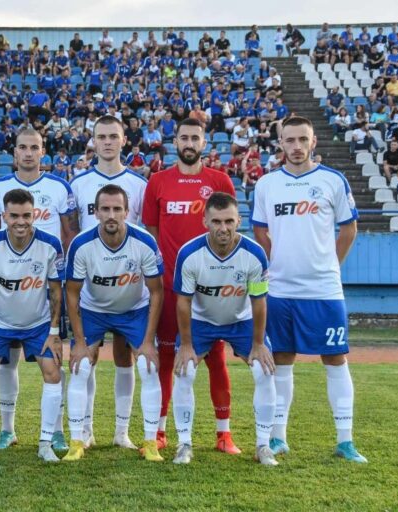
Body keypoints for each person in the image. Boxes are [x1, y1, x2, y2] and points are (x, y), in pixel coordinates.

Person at [252, 116, 367, 463]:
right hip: (281, 289)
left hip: (324, 289)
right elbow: (259, 231)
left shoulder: (332, 180)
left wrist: (330, 265)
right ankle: (278, 437)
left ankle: (345, 440)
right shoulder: (267, 184)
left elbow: (349, 230)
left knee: (335, 358)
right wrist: (280, 264)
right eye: (290, 140)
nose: (297, 146)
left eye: (303, 139)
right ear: (281, 143)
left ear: (313, 141)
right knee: (281, 359)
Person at [142, 118, 238, 453]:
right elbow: (151, 234)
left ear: (204, 143)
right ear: (174, 141)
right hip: (171, 286)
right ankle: (160, 430)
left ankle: (223, 434)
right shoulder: (157, 182)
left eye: (195, 138)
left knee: (216, 359)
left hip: (211, 288)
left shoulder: (219, 180)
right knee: (167, 357)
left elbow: (229, 229)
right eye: (184, 137)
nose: (189, 142)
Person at [0, 127, 78, 451]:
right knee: (5, 362)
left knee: (53, 360)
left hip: (44, 286)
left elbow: (69, 236)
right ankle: (7, 429)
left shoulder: (58, 187)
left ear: (43, 151)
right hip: (7, 292)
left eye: (33, 147)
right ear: (14, 152)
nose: (27, 152)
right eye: (22, 147)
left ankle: (56, 430)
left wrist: (61, 281)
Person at [172, 192, 278, 465]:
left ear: (238, 220)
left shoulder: (254, 255)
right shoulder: (189, 253)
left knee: (263, 370)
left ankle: (263, 446)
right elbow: (183, 303)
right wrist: (185, 346)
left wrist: (257, 344)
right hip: (200, 322)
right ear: (205, 220)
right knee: (185, 371)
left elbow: (259, 301)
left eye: (229, 221)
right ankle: (184, 443)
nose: (223, 228)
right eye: (217, 221)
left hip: (241, 321)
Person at [64, 184, 164, 462]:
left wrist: (147, 342)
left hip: (134, 310)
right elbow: (71, 293)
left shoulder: (143, 242)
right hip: (94, 310)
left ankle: (140, 438)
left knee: (147, 364)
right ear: (95, 212)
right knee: (80, 365)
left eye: (117, 209)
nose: (111, 215)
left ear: (127, 211)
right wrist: (80, 342)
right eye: (105, 209)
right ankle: (79, 437)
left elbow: (157, 291)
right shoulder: (82, 245)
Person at [69, 116, 148, 450]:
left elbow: (146, 236)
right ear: (93, 140)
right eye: (101, 137)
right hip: (91, 291)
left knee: (125, 356)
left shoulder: (140, 185)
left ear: (124, 141)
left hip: (130, 289)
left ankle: (121, 432)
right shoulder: (78, 183)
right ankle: (85, 430)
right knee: (88, 358)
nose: (107, 142)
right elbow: (72, 231)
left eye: (113, 137)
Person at [0, 188, 66, 463]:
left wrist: (55, 332)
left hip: (38, 324)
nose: (20, 221)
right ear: (4, 216)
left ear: (34, 214)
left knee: (52, 372)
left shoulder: (50, 244)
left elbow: (56, 290)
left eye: (26, 215)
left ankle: (46, 442)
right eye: (14, 216)